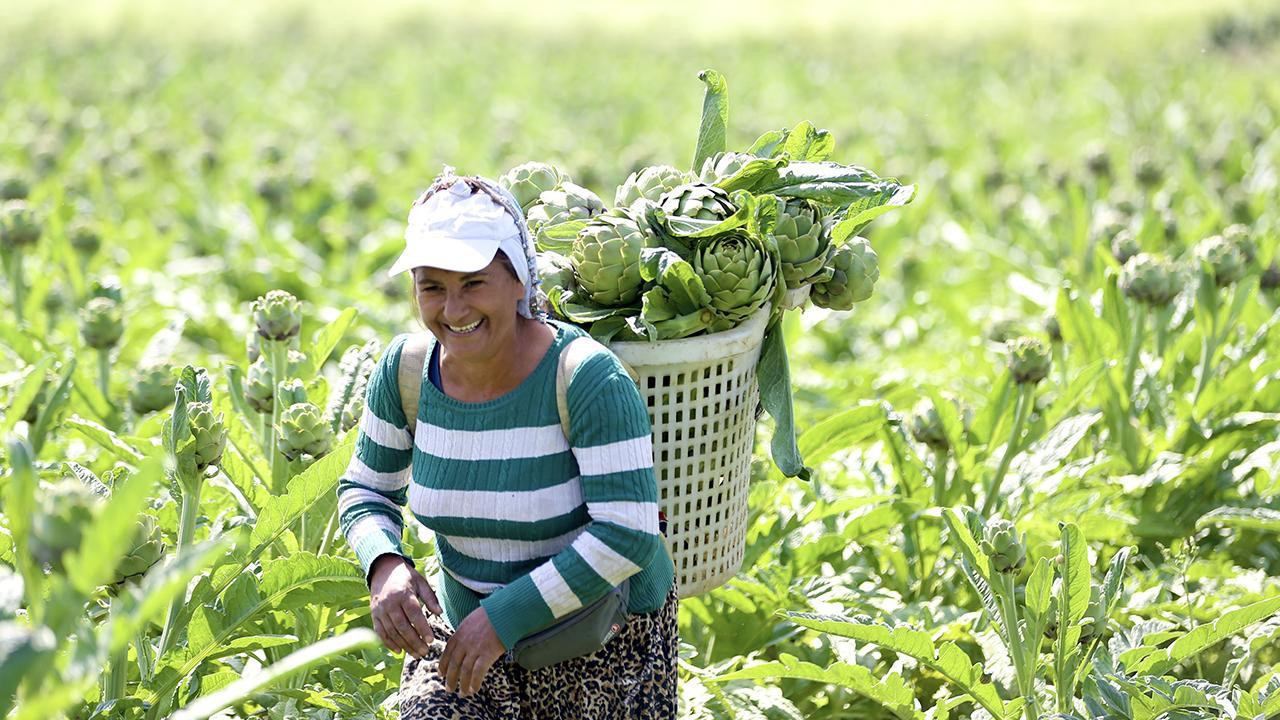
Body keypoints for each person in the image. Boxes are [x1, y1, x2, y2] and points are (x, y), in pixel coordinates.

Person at [337, 168, 678, 719]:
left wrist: (502, 619)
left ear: (517, 280)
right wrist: (385, 564)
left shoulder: (586, 379)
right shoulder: (404, 373)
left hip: (602, 637)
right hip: (467, 633)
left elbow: (627, 535)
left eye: (473, 283)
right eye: (432, 287)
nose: (453, 311)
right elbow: (365, 489)